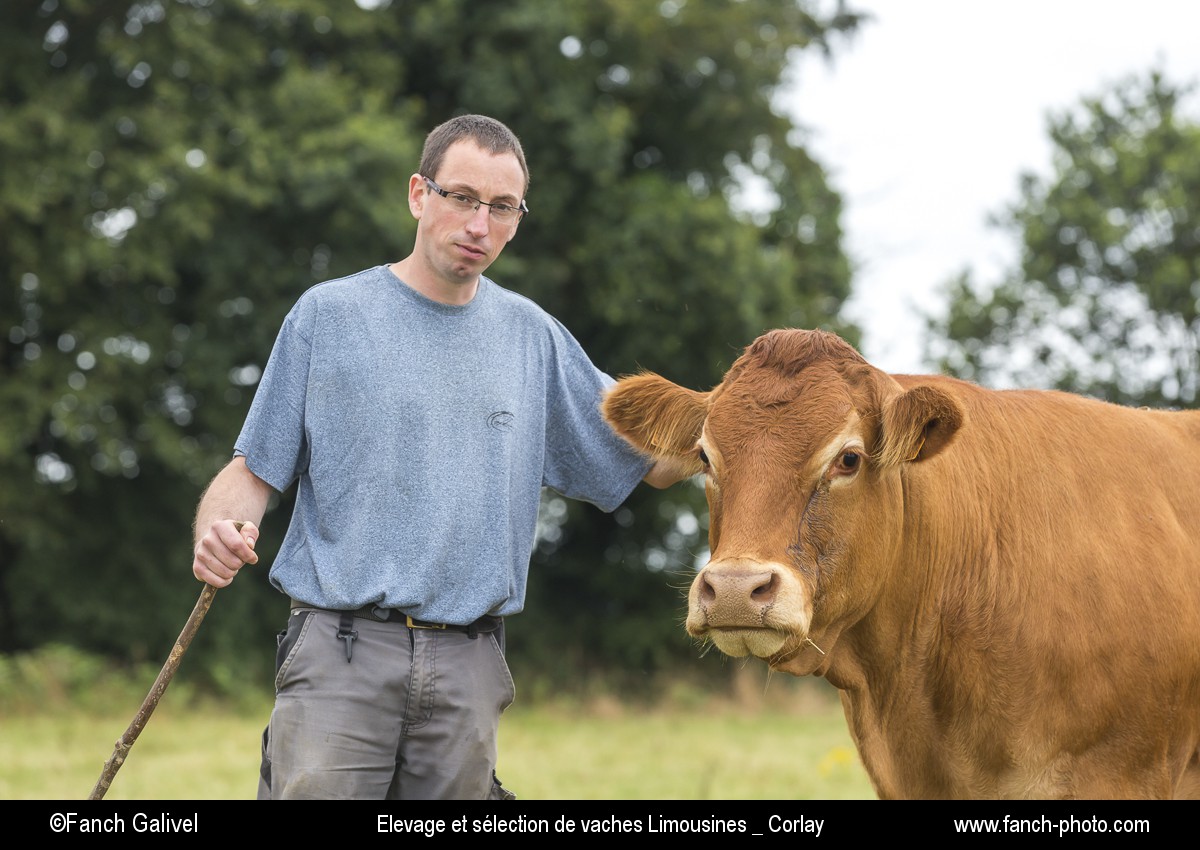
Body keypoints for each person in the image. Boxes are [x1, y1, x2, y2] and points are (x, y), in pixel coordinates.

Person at [190, 114, 683, 800]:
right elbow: (251, 471)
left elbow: (654, 455)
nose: (480, 224)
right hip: (340, 655)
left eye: (502, 207)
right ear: (420, 195)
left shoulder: (531, 338)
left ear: (517, 218)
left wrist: (764, 421)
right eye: (461, 197)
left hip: (469, 668)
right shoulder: (328, 317)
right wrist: (217, 530)